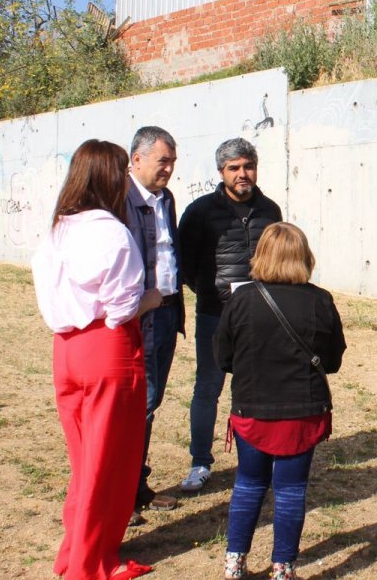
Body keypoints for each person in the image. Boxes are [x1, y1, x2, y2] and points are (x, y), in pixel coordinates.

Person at [31, 139, 161, 580]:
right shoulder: (111, 231)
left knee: (85, 460)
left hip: (67, 349)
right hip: (108, 349)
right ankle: (89, 562)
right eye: (122, 172)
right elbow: (122, 308)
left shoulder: (56, 230)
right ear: (109, 178)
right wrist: (152, 299)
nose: (126, 180)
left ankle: (77, 550)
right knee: (109, 462)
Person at [214, 223, 346, 580]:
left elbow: (223, 357)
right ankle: (283, 568)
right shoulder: (320, 301)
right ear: (304, 257)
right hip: (301, 411)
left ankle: (234, 562)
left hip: (252, 408)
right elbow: (333, 360)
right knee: (290, 490)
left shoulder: (241, 299)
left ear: (261, 255)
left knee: (248, 484)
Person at [178, 138, 282, 492]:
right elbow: (186, 264)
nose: (242, 174)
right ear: (221, 172)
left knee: (259, 389)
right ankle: (200, 461)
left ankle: (258, 459)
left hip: (260, 316)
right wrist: (212, 293)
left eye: (248, 166)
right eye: (234, 168)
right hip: (215, 315)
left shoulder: (270, 210)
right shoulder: (200, 211)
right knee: (208, 387)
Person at [123, 126, 185, 526]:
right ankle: (123, 495)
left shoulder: (166, 199)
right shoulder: (119, 200)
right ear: (137, 159)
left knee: (151, 402)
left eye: (173, 162)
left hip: (166, 312)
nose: (169, 169)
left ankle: (137, 486)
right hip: (137, 317)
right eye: (163, 161)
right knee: (137, 407)